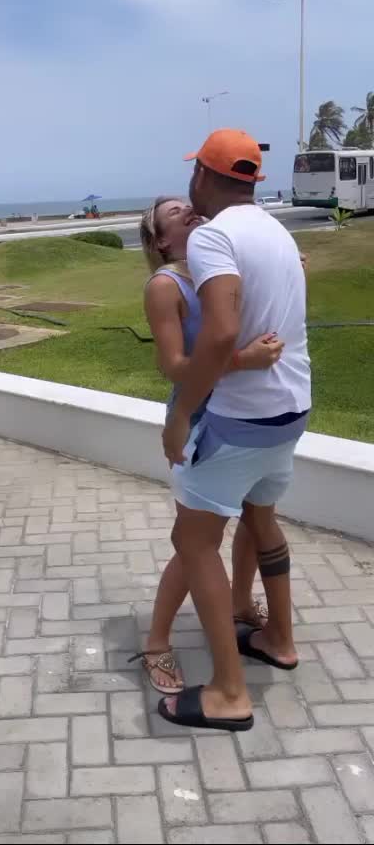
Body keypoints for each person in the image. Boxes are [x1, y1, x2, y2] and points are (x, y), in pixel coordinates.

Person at [161, 129, 310, 732]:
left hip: (241, 418)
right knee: (262, 519)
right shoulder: (277, 231)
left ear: (202, 174)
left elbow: (221, 333)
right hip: (292, 410)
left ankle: (228, 691)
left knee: (194, 541)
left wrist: (180, 414)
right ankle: (279, 639)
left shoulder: (214, 236)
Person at [134, 197, 282, 692]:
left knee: (252, 522)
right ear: (160, 240)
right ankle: (156, 642)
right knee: (196, 542)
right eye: (174, 212)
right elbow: (174, 367)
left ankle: (239, 606)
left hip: (246, 416)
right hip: (199, 421)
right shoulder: (166, 286)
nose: (189, 210)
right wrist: (244, 360)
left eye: (188, 205)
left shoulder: (219, 267)